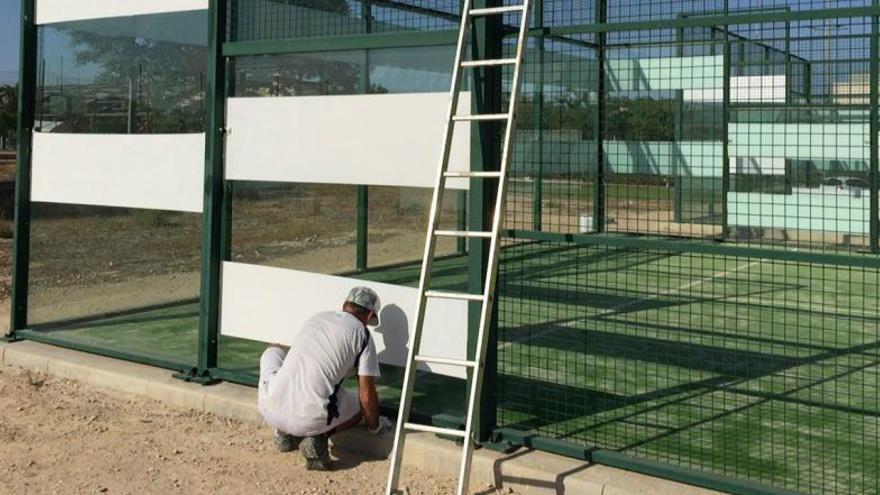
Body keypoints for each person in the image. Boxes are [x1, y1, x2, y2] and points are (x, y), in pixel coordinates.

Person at [257, 286, 393, 470]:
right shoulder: (362, 334)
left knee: (274, 351)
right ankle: (317, 437)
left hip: (269, 404)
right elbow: (366, 395)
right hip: (309, 419)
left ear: (345, 305)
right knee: (361, 404)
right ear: (369, 315)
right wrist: (375, 426)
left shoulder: (318, 317)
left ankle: (285, 433)